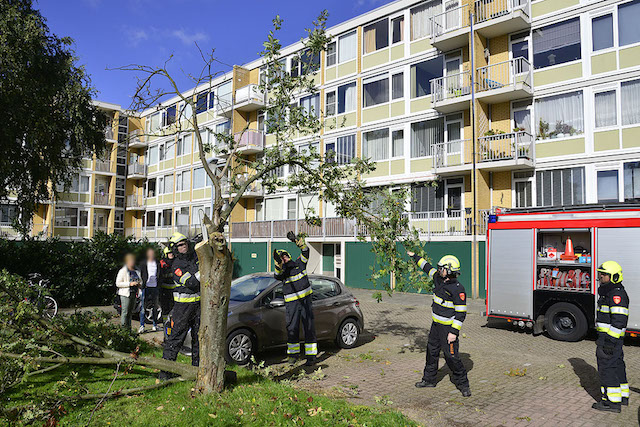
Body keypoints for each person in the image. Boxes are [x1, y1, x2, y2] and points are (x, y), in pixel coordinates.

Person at [407, 250, 471, 397]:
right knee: (432, 352)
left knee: (452, 357)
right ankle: (429, 380)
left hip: (448, 329)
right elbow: (427, 267)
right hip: (435, 326)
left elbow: (461, 313)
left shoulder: (458, 289)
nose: (439, 270)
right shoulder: (438, 278)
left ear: (448, 271)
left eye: (442, 268)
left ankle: (463, 385)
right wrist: (415, 256)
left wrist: (453, 333)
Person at [274, 235, 318, 366]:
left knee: (309, 327)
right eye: (281, 258)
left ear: (289, 255)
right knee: (292, 328)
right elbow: (277, 276)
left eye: (285, 256)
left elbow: (306, 252)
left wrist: (297, 242)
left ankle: (311, 357)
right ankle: (293, 356)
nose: (284, 259)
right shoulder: (283, 272)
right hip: (292, 304)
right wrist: (278, 265)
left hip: (306, 301)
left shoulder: (299, 263)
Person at [161, 232, 200, 376]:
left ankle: (196, 371)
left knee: (198, 341)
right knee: (175, 340)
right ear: (175, 248)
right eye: (180, 245)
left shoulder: (193, 259)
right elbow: (192, 283)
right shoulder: (177, 265)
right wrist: (202, 271)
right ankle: (165, 373)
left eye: (185, 244)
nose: (184, 247)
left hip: (198, 307)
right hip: (182, 309)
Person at [593, 261, 629, 413]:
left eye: (604, 274)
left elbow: (619, 320)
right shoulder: (610, 292)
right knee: (617, 366)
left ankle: (611, 403)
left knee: (607, 369)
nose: (600, 276)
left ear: (613, 277)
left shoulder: (615, 294)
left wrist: (609, 341)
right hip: (612, 339)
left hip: (609, 339)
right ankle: (622, 397)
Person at [115, 253, 142, 330]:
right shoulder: (123, 271)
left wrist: (139, 284)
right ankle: (123, 329)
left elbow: (140, 280)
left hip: (134, 293)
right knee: (125, 312)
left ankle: (129, 329)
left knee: (131, 312)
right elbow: (118, 283)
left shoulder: (137, 270)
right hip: (125, 294)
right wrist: (129, 284)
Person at [139, 247, 161, 332]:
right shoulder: (143, 263)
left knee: (155, 307)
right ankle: (142, 326)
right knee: (143, 307)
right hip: (146, 287)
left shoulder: (157, 263)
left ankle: (155, 325)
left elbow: (159, 274)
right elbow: (141, 274)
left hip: (155, 287)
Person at [159, 246, 175, 328]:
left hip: (175, 290)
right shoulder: (162, 263)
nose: (171, 254)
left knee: (174, 309)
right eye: (169, 253)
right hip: (164, 290)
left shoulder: (176, 262)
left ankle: (173, 325)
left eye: (172, 253)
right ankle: (165, 324)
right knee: (165, 309)